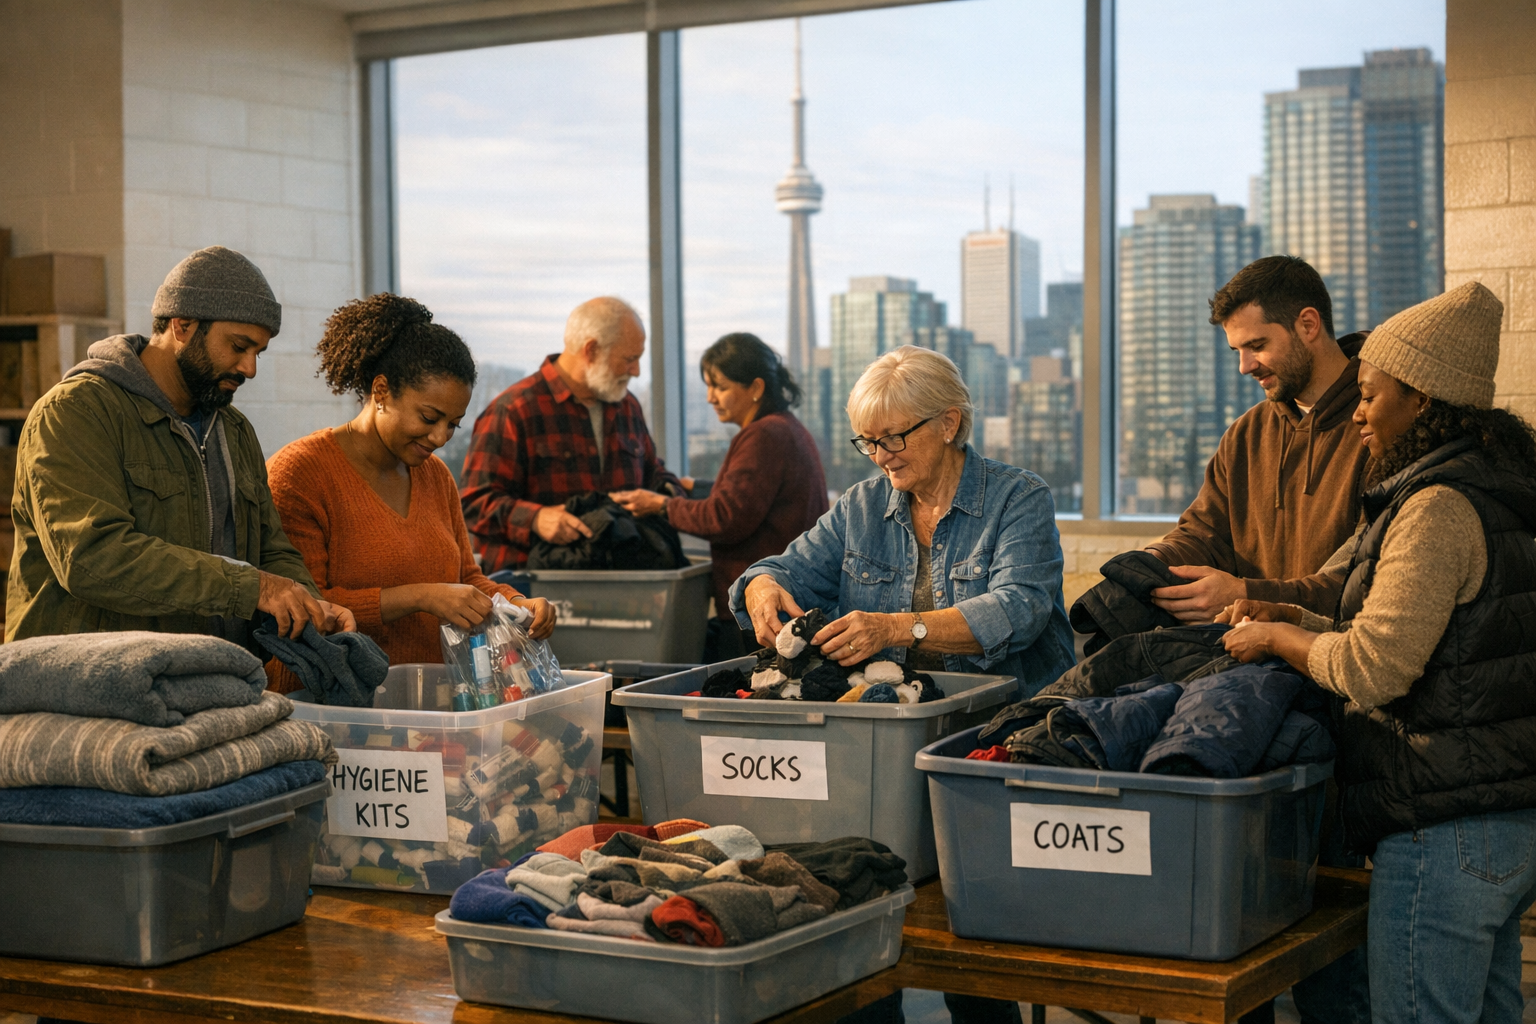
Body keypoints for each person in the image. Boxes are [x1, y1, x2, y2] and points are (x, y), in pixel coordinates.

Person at [1218, 281, 1536, 1024]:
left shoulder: (1436, 508)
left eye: (1372, 394)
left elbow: (1373, 668)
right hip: (1507, 820)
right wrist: (1293, 610)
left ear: (1422, 400)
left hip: (1445, 833)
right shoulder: (1497, 486)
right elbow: (1435, 629)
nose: (1358, 411)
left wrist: (1275, 637)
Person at [733, 345, 1073, 1024]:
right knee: (862, 895)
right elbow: (782, 567)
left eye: (894, 437)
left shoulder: (1019, 497)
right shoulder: (862, 507)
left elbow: (1021, 607)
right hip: (887, 746)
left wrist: (898, 629)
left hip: (994, 742)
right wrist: (764, 588)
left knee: (974, 946)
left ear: (948, 423)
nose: (882, 455)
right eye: (868, 441)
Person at [7, 245, 353, 644]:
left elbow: (270, 550)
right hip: (87, 690)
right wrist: (251, 588)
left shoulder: (235, 431)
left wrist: (310, 604)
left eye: (259, 352)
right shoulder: (77, 412)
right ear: (183, 326)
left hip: (210, 683)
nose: (250, 368)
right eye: (239, 347)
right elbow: (93, 558)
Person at [264, 294, 556, 692]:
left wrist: (517, 603)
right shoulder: (300, 474)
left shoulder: (435, 476)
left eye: (453, 424)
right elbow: (307, 606)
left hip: (423, 705)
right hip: (331, 706)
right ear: (381, 391)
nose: (439, 437)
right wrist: (419, 597)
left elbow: (465, 578)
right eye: (429, 417)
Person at [1145, 255, 1373, 622]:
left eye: (1257, 345)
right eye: (1237, 351)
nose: (1245, 366)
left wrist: (1246, 594)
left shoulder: (1379, 426)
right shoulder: (1245, 434)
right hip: (1247, 658)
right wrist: (1152, 561)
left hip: (1335, 661)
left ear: (1308, 324)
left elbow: (1364, 579)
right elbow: (1205, 534)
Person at [611, 333, 828, 660]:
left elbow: (725, 518)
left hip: (766, 608)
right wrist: (696, 488)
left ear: (755, 388)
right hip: (787, 599)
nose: (711, 397)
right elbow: (755, 498)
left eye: (721, 387)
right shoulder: (784, 428)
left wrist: (661, 505)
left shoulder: (764, 435)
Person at [459, 296, 688, 573]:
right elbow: (473, 503)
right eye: (630, 359)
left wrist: (665, 497)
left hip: (625, 588)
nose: (636, 372)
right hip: (538, 594)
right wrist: (536, 519)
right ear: (591, 350)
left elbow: (655, 473)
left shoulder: (627, 406)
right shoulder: (515, 410)